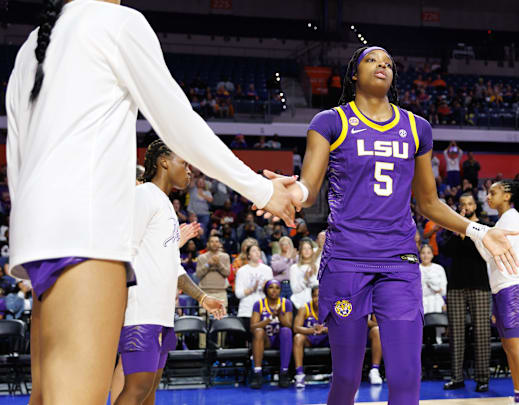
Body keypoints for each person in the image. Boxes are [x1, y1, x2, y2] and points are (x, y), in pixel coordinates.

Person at [4, 1, 298, 403]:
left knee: (47, 397)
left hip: (39, 242)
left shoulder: (31, 45)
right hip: (88, 236)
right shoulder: (118, 22)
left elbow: (17, 154)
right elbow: (180, 126)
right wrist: (263, 191)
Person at [260, 46, 519, 405]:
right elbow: (308, 188)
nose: (382, 65)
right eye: (371, 60)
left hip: (398, 262)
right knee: (347, 376)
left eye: (389, 63)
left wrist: (478, 230)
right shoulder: (329, 121)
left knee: (406, 377)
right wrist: (287, 192)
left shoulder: (417, 128)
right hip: (347, 261)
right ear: (353, 74)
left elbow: (428, 203)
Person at [114, 140, 226, 405]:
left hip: (162, 314)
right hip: (140, 310)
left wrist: (201, 298)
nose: (189, 171)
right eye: (184, 163)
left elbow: (172, 266)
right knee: (136, 389)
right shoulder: (143, 196)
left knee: (149, 391)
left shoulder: (166, 207)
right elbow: (123, 251)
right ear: (164, 161)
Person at [480, 181, 519, 405]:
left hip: (514, 288)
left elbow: (491, 250)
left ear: (507, 195)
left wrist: (471, 229)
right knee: (509, 346)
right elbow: (487, 255)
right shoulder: (501, 221)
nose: (488, 197)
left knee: (516, 345)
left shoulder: (512, 217)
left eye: (493, 192)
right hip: (501, 288)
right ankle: (518, 395)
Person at [440, 193, 492, 392]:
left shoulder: (485, 227)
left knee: (481, 332)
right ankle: (456, 377)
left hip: (479, 284)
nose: (466, 207)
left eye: (469, 204)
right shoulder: (451, 226)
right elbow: (447, 251)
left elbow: (480, 252)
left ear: (475, 206)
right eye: (462, 204)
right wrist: (457, 228)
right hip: (455, 285)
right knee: (456, 334)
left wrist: (466, 231)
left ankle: (482, 378)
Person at [249, 280, 294, 389]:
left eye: (277, 288)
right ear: (266, 290)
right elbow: (252, 327)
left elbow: (288, 325)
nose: (274, 290)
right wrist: (269, 319)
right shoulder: (259, 304)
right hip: (266, 340)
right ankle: (257, 373)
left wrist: (279, 315)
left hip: (280, 340)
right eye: (271, 287)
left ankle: (284, 373)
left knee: (286, 331)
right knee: (258, 331)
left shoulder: (286, 303)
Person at [196, 235, 230, 347]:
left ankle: (220, 347)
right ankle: (202, 347)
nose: (215, 244)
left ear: (220, 244)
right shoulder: (202, 257)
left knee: (221, 320)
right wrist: (209, 264)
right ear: (208, 244)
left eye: (217, 241)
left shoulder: (225, 257)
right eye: (212, 242)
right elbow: (199, 274)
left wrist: (218, 264)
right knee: (203, 320)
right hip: (205, 293)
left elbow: (227, 273)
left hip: (221, 292)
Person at [293, 286, 329, 389]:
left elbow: (339, 327)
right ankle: (299, 374)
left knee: (340, 336)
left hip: (325, 339)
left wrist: (324, 330)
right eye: (314, 296)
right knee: (298, 337)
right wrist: (313, 330)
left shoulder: (332, 309)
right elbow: (296, 328)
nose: (317, 298)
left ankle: (338, 373)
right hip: (309, 339)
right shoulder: (304, 309)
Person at [234, 244, 273, 326]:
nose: (257, 253)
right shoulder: (242, 271)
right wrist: (252, 289)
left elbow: (272, 293)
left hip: (264, 310)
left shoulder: (267, 270)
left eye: (258, 250)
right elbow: (238, 294)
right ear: (248, 255)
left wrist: (265, 288)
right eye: (254, 251)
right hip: (247, 310)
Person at [289, 239, 319, 308]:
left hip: (315, 305)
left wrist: (312, 277)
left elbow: (320, 287)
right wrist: (305, 278)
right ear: (300, 251)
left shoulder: (318, 266)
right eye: (304, 248)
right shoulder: (294, 268)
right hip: (298, 304)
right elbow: (295, 290)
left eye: (309, 248)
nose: (307, 251)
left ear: (312, 251)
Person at [419, 244, 446, 314]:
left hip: (437, 304)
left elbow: (443, 291)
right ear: (419, 255)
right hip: (421, 304)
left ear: (432, 255)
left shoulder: (439, 268)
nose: (426, 256)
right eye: (423, 253)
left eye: (428, 253)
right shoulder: (416, 269)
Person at [367, 314, 384, 385]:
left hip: (366, 332)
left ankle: (374, 370)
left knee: (377, 330)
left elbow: (375, 322)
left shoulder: (370, 303)